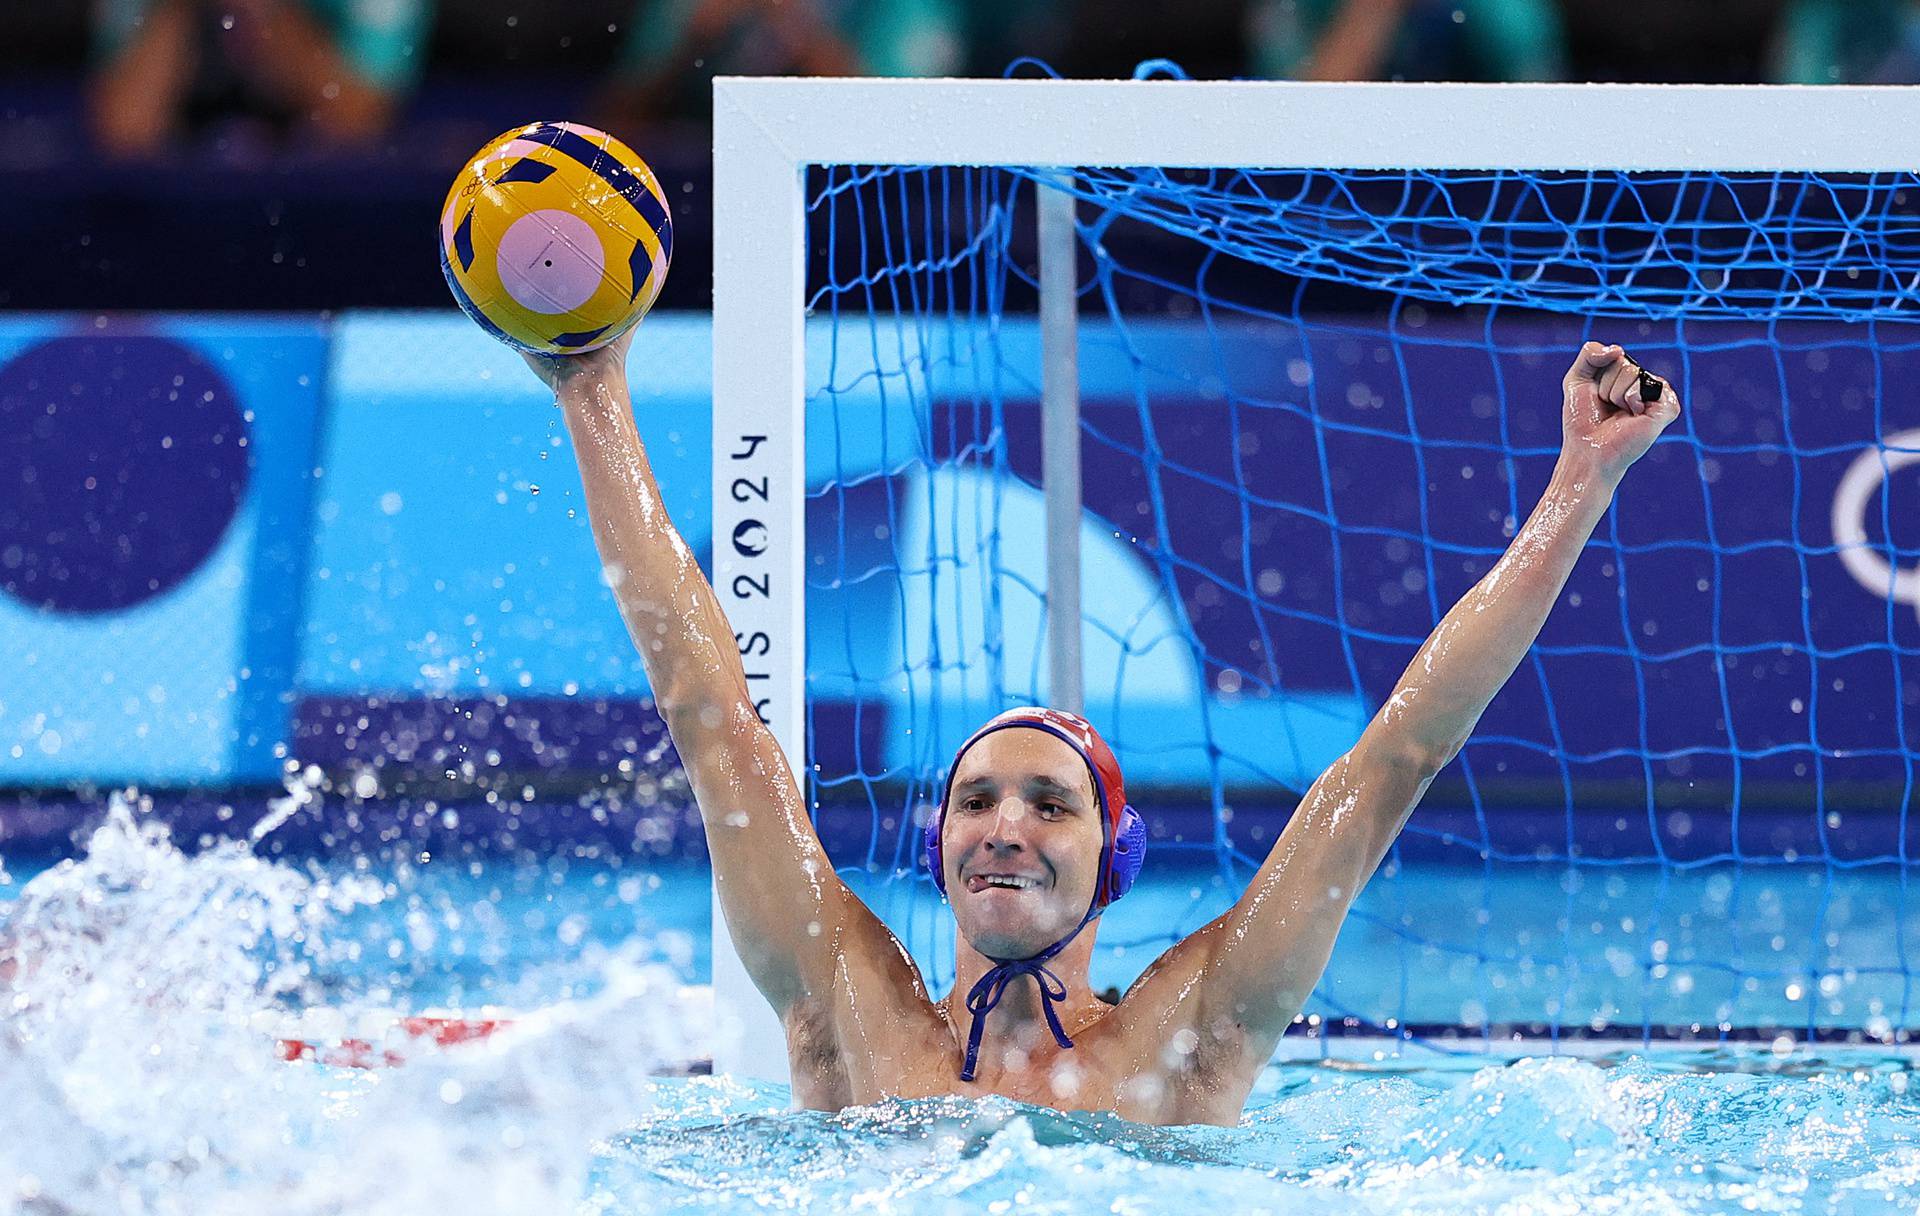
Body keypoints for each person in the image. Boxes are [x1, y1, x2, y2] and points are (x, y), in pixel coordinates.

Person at [525, 334, 1681, 1126]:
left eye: (1049, 801)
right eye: (976, 799)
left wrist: (1580, 480)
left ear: (1115, 854)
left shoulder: (1187, 1036)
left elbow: (1399, 755)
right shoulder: (848, 1008)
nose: (1005, 826)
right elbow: (711, 715)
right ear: (938, 844)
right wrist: (592, 391)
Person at [86, 0, 431, 158]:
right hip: (180, 216)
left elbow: (359, 122)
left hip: (321, 211)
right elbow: (127, 132)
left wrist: (266, 13)